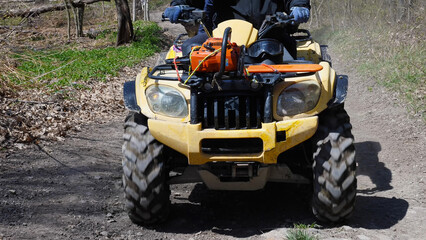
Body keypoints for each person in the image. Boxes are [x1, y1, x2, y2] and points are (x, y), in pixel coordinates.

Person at [163, 0, 310, 58]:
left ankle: (292, 99)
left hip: (269, 32)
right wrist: (179, 5)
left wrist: (299, 6)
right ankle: (184, 100)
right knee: (190, 47)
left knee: (288, 52)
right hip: (221, 36)